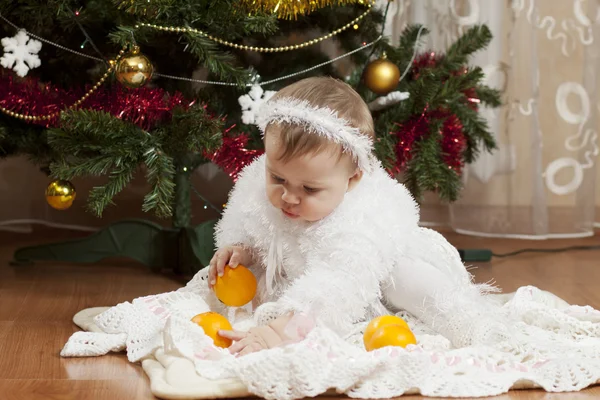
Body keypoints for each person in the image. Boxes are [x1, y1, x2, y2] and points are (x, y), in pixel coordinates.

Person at [204, 76, 502, 356]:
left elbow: (334, 287)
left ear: (353, 179)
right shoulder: (267, 187)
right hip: (309, 270)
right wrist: (242, 250)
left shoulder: (364, 220)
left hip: (375, 271)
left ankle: (476, 328)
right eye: (278, 178)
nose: (288, 197)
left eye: (309, 188)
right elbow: (257, 226)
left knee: (415, 283)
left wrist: (276, 334)